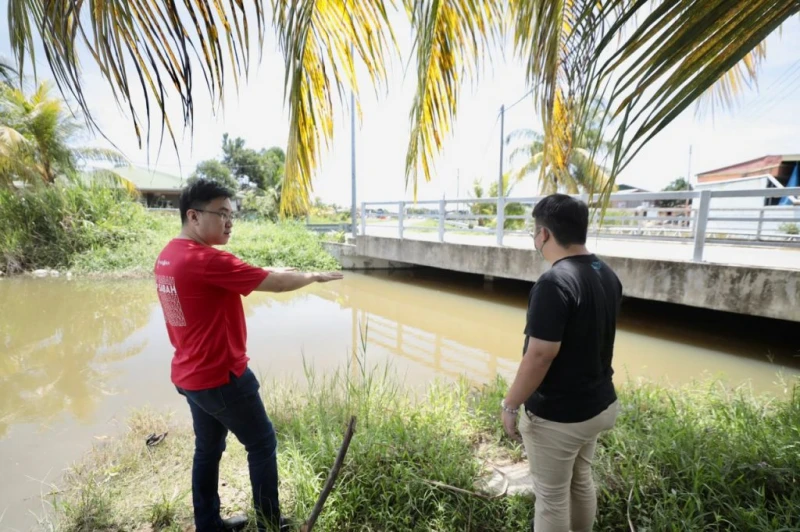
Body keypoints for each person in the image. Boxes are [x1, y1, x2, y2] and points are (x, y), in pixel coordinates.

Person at [153, 179, 343, 532]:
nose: (229, 221)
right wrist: (313, 275)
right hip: (222, 375)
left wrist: (280, 270)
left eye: (232, 215)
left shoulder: (169, 255)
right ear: (194, 216)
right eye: (221, 213)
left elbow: (261, 275)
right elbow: (277, 284)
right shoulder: (206, 260)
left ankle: (208, 524)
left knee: (208, 449)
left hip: (189, 374)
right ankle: (269, 523)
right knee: (262, 442)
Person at [500, 194, 622, 532]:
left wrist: (510, 404)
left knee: (551, 496)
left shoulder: (554, 282)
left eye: (534, 232)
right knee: (580, 479)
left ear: (544, 234)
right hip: (598, 405)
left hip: (561, 416)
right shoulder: (605, 272)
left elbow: (540, 355)